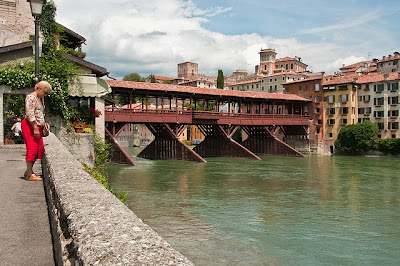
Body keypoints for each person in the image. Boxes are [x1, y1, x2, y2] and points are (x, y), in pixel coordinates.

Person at [21, 81, 52, 181]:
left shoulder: (38, 98)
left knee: (39, 148)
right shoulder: (31, 97)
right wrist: (35, 127)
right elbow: (30, 113)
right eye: (45, 92)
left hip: (36, 126)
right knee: (32, 148)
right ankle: (29, 174)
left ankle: (29, 171)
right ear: (39, 89)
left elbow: (39, 113)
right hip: (30, 126)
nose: (45, 95)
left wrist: (44, 124)